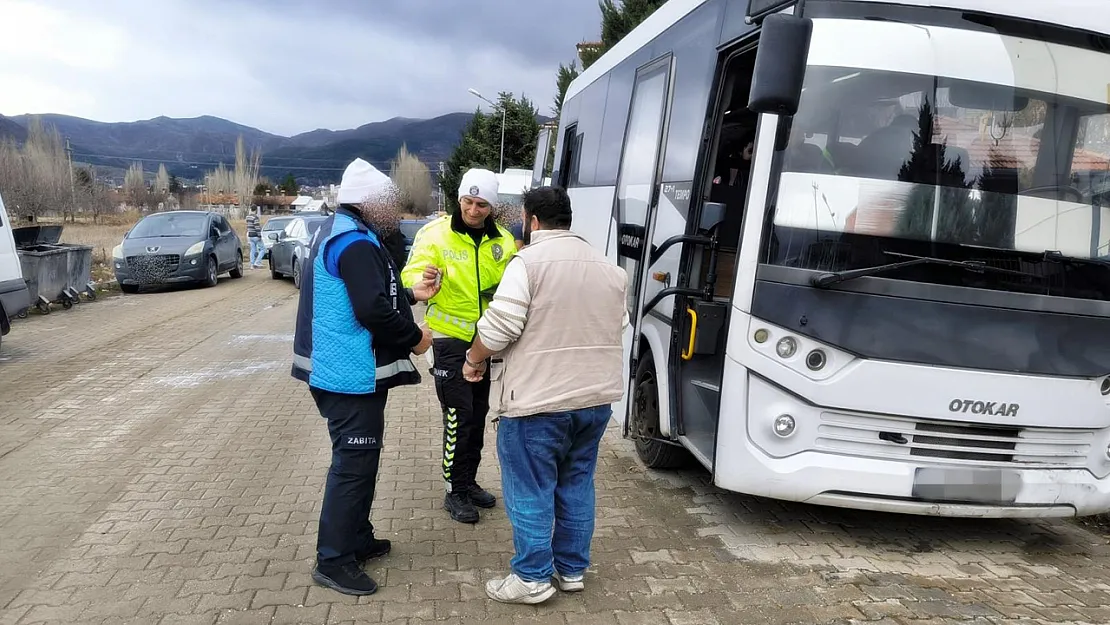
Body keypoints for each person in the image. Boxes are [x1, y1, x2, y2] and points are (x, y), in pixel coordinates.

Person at [459, 186, 629, 604]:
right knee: (576, 484)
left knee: (530, 487)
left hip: (536, 401)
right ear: (568, 219)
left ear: (531, 220)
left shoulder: (528, 262)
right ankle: (571, 570)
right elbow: (619, 323)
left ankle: (531, 578)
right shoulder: (610, 268)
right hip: (594, 401)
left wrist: (473, 359)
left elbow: (499, 329)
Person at [291, 158, 436, 596]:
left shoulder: (347, 234)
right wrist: (414, 337)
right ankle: (333, 560)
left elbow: (371, 291)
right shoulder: (353, 242)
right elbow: (371, 309)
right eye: (389, 202)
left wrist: (412, 294)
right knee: (352, 467)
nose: (395, 209)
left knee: (362, 461)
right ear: (368, 202)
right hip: (346, 377)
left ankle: (356, 538)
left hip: (346, 374)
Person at [400, 168, 518, 524]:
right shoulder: (434, 234)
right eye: (468, 201)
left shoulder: (503, 240)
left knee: (479, 414)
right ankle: (455, 490)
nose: (473, 209)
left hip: (488, 341)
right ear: (459, 199)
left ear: (492, 207)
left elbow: (514, 280)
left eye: (482, 204)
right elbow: (409, 275)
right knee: (458, 415)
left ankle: (468, 480)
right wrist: (423, 280)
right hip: (450, 341)